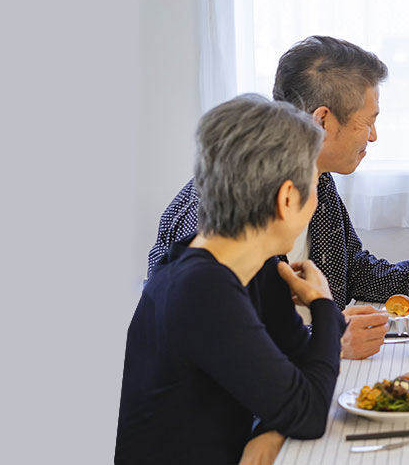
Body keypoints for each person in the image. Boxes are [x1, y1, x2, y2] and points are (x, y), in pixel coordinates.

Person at [148, 36, 409, 360]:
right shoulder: (216, 208)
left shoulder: (319, 179)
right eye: (368, 122)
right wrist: (327, 340)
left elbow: (351, 268)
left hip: (310, 373)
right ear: (323, 120)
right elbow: (212, 340)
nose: (373, 136)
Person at [116, 95, 344, 464]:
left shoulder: (254, 267)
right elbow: (309, 411)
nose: (317, 198)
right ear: (287, 198)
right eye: (314, 183)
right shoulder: (201, 289)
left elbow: (298, 370)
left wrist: (270, 431)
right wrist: (322, 304)